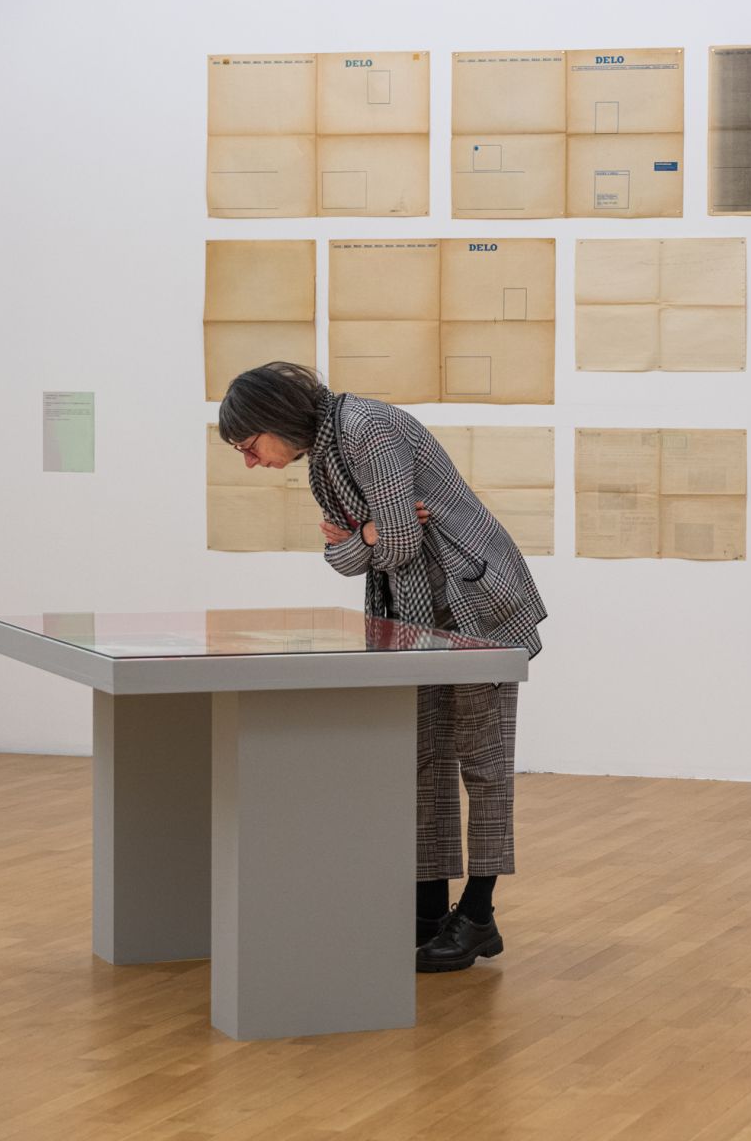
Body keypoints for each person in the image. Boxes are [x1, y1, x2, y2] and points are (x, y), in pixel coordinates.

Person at [218, 362, 547, 972]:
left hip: (474, 606)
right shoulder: (323, 458)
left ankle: (478, 915)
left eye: (248, 445)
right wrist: (368, 536)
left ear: (274, 419)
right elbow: (345, 557)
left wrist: (368, 536)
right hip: (413, 616)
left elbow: (397, 543)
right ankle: (428, 908)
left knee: (482, 761)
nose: (250, 462)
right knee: (419, 758)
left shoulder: (366, 428)